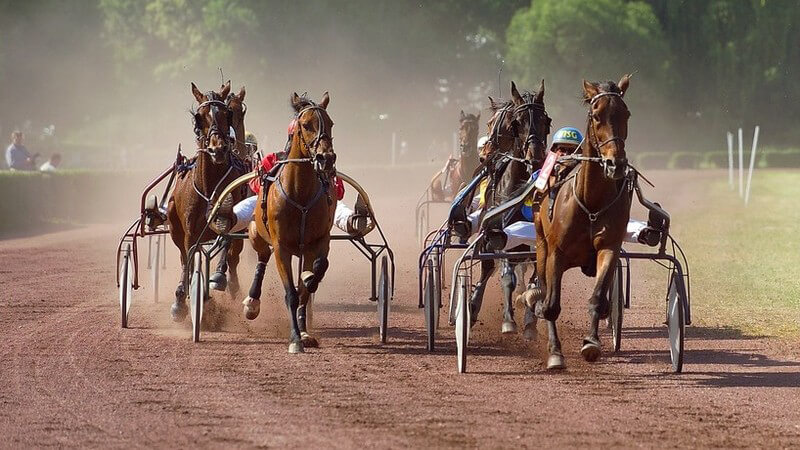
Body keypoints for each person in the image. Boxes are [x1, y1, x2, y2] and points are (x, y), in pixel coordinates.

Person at [211, 121, 369, 236]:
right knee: (253, 204)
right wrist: (266, 182)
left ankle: (353, 221)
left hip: (314, 206)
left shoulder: (320, 162)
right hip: (274, 205)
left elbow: (338, 192)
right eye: (296, 137)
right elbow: (254, 185)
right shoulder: (273, 159)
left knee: (336, 206)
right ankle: (229, 219)